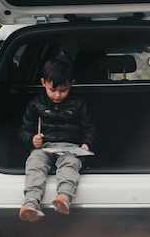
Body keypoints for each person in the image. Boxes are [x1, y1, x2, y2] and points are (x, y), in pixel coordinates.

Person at [17, 54, 97, 222]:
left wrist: (86, 144)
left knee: (70, 163)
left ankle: (64, 197)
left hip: (70, 147)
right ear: (43, 83)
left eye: (63, 90)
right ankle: (31, 201)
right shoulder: (35, 104)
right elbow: (24, 130)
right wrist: (32, 139)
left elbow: (90, 128)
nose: (58, 95)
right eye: (53, 90)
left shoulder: (79, 104)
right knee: (34, 163)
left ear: (72, 84)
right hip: (44, 147)